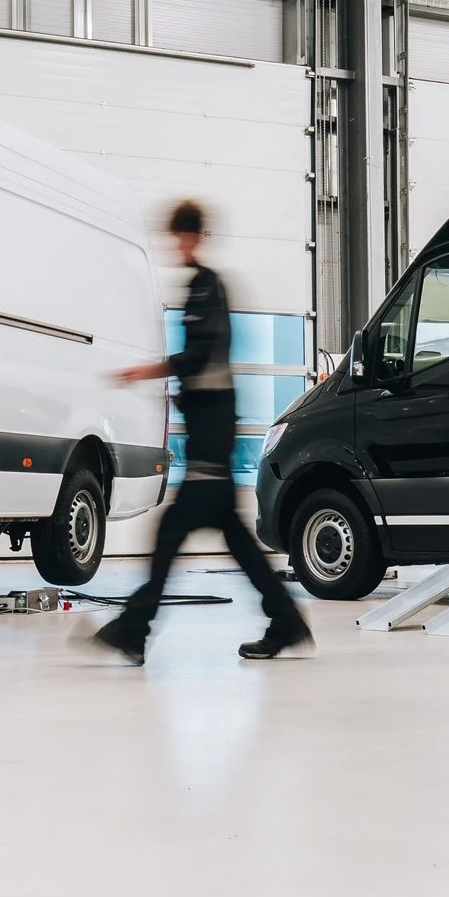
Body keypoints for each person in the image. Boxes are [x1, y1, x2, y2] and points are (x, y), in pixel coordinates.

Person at [93, 201, 313, 665]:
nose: (177, 245)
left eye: (181, 236)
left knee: (172, 536)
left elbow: (198, 357)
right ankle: (285, 620)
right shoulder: (204, 285)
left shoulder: (205, 286)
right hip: (210, 431)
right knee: (228, 540)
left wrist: (145, 372)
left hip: (211, 437)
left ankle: (135, 630)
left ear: (193, 236)